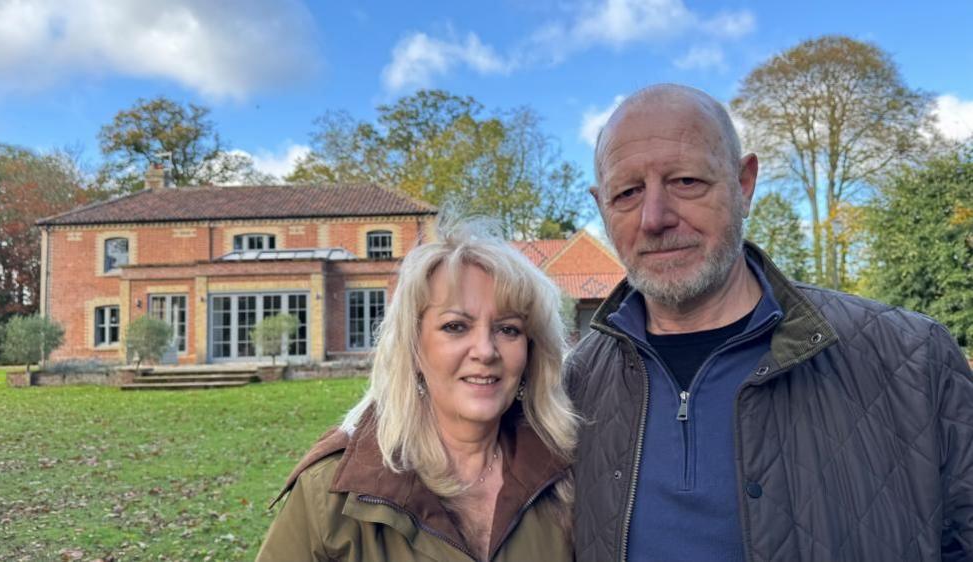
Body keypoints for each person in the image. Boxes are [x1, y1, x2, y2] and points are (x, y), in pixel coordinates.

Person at [566, 83, 973, 562]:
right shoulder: (570, 388)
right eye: (627, 192)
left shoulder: (914, 360)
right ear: (602, 207)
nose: (654, 218)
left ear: (744, 184)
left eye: (686, 181)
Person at [256, 220, 578, 562]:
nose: (486, 351)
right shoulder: (330, 494)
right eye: (456, 326)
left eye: (508, 329)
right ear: (413, 348)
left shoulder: (567, 480)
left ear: (530, 351)